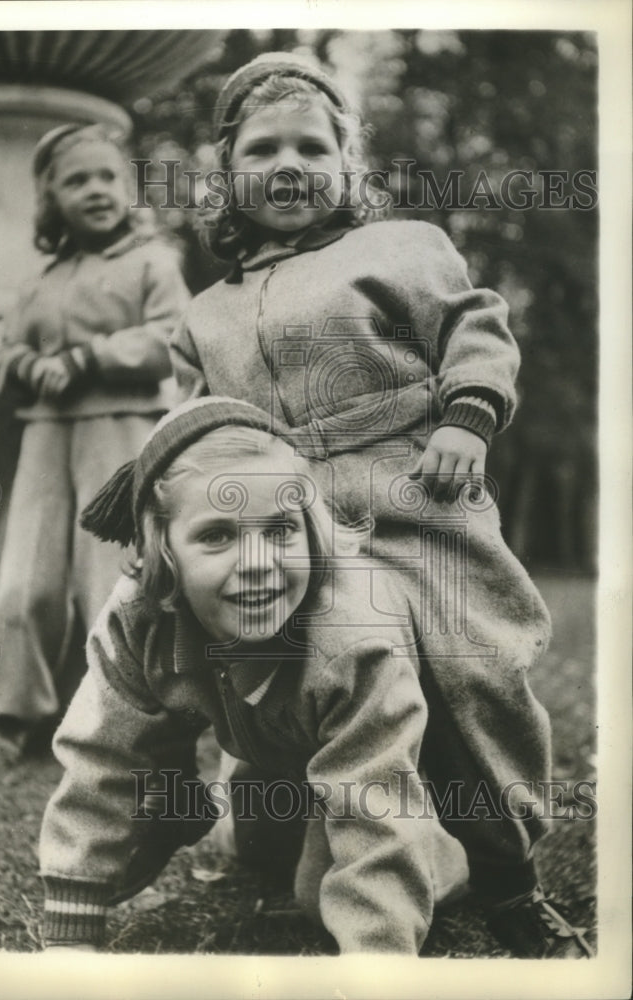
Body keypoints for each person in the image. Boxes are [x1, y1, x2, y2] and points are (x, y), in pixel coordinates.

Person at [168, 53, 593, 958]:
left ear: (348, 168)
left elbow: (475, 327)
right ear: (228, 175)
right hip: (291, 529)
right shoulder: (206, 311)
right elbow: (189, 425)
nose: (289, 165)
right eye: (263, 149)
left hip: (415, 492)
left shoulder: (401, 246)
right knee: (301, 677)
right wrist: (160, 510)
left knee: (469, 675)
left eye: (313, 149)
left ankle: (506, 876)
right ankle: (286, 847)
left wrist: (467, 420)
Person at [39, 396, 470, 955]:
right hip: (268, 740)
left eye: (280, 530)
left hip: (388, 760)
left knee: (327, 892)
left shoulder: (355, 639)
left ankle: (454, 854)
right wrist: (72, 930)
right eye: (217, 535)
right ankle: (225, 800)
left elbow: (376, 806)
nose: (258, 564)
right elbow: (99, 753)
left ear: (311, 529)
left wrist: (377, 961)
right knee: (248, 846)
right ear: (160, 546)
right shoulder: (139, 614)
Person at [0, 123, 189, 761]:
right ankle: (11, 713)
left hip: (121, 428)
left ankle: (130, 717)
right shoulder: (43, 278)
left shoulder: (152, 260)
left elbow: (174, 336)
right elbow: (3, 354)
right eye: (76, 180)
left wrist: (87, 358)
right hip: (45, 434)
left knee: (114, 573)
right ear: (52, 199)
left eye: (107, 177)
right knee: (27, 576)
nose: (95, 190)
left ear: (127, 187)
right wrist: (25, 366)